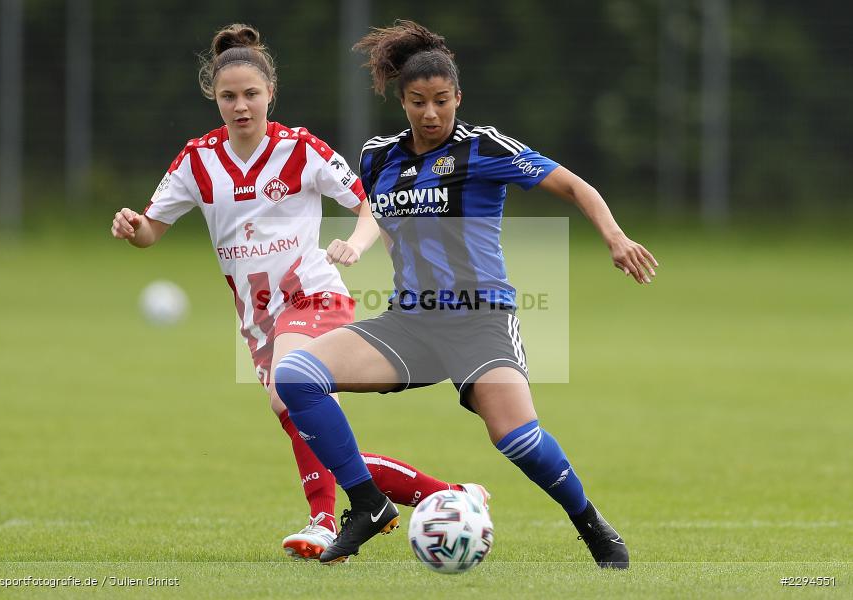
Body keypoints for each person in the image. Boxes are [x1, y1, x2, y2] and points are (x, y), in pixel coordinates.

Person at [274, 20, 658, 568]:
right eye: (417, 102)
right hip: (410, 323)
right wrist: (359, 246)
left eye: (441, 101)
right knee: (295, 378)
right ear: (402, 102)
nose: (430, 113)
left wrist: (615, 238)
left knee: (516, 437)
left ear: (458, 97)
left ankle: (590, 523)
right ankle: (368, 504)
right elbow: (382, 220)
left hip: (481, 320)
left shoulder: (482, 147)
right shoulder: (378, 156)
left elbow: (574, 185)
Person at [109, 23, 489, 561]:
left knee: (288, 393)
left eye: (251, 94)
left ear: (270, 93)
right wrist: (133, 228)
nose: (241, 106)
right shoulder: (197, 160)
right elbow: (152, 230)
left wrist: (355, 243)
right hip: (259, 322)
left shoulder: (302, 150)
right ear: (214, 97)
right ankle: (448, 495)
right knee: (319, 439)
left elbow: (370, 203)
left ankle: (322, 522)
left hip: (314, 298)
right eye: (228, 96)